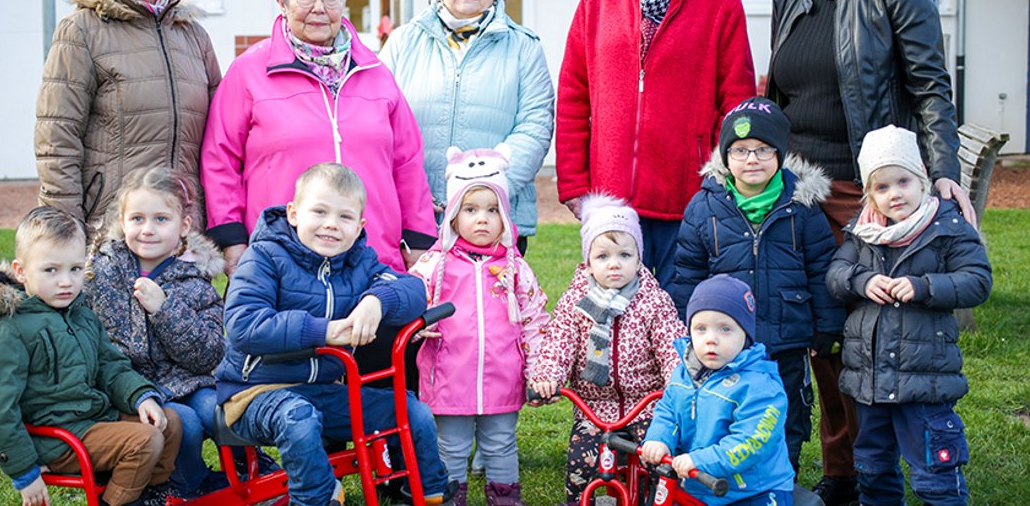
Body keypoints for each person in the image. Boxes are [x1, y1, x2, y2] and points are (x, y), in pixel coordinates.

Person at [767, 0, 974, 500]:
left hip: (867, 191)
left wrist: (941, 170)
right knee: (818, 331)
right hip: (798, 190)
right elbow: (780, 96)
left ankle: (864, 467)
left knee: (865, 332)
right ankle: (840, 469)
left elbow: (931, 85)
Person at [201, 0, 436, 382]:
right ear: (281, 1)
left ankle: (389, 455)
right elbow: (219, 160)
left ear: (345, 3)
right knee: (309, 402)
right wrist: (234, 243)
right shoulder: (249, 73)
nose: (318, 8)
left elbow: (407, 161)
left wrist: (419, 243)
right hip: (289, 267)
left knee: (384, 396)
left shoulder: (375, 73)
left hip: (371, 258)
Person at [214, 163, 455, 506]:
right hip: (255, 392)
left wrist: (375, 301)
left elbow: (414, 290)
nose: (331, 224)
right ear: (294, 214)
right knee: (297, 418)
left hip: (324, 390)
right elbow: (243, 323)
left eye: (344, 217)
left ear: (359, 227)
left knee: (411, 410)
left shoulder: (359, 261)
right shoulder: (265, 256)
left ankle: (426, 491)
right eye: (320, 212)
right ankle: (316, 498)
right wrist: (322, 332)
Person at [556, 0, 755, 290]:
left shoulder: (722, 1)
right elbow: (574, 97)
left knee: (676, 319)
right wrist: (575, 185)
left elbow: (736, 101)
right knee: (609, 318)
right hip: (609, 202)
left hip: (688, 199)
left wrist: (721, 182)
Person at [0, 206, 182, 506]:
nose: (66, 282)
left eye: (75, 269)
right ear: (21, 271)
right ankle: (120, 502)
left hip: (93, 418)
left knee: (168, 423)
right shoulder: (6, 329)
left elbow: (110, 366)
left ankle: (148, 493)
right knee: (144, 441)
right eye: (51, 270)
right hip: (55, 438)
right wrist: (24, 471)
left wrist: (141, 396)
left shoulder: (80, 314)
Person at [671, 97, 843, 472]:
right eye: (741, 150)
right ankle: (723, 480)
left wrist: (826, 326)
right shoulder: (705, 207)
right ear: (725, 156)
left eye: (763, 150)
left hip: (786, 339)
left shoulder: (802, 206)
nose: (752, 159)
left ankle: (783, 477)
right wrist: (688, 331)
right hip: (726, 342)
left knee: (787, 415)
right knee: (726, 414)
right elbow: (687, 273)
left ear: (780, 154)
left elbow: (820, 267)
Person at [826, 126, 991, 506]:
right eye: (882, 188)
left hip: (925, 380)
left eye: (903, 181)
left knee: (935, 472)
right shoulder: (861, 233)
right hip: (869, 381)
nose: (894, 194)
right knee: (873, 468)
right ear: (870, 194)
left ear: (922, 180)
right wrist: (862, 281)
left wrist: (925, 287)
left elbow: (977, 281)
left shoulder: (946, 229)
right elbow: (835, 276)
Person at [36, 0, 222, 232]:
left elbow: (219, 136)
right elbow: (57, 137)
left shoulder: (194, 37)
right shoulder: (81, 30)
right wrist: (64, 227)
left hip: (182, 226)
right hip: (112, 224)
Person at [380, 0, 555, 255]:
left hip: (492, 217)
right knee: (419, 303)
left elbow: (535, 126)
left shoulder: (524, 48)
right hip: (415, 216)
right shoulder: (403, 42)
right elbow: (378, 120)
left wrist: (486, 193)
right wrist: (410, 195)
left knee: (488, 305)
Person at [409, 145, 550, 506]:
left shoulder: (515, 267)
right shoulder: (435, 264)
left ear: (505, 215)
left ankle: (505, 499)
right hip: (448, 378)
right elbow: (407, 299)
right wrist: (416, 323)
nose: (482, 219)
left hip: (503, 376)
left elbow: (534, 318)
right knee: (451, 447)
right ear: (453, 216)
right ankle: (450, 498)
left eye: (492, 210)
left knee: (502, 443)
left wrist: (538, 369)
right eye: (470, 210)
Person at [528, 194, 689, 506]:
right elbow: (559, 343)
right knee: (580, 462)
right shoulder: (576, 302)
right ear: (588, 260)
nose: (614, 264)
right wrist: (548, 375)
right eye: (603, 256)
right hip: (593, 405)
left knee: (656, 457)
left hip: (645, 404)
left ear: (639, 258)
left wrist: (677, 380)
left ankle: (650, 499)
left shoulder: (653, 301)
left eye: (625, 255)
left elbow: (672, 345)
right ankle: (578, 501)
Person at [83, 167, 229, 497]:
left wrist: (165, 310)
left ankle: (248, 472)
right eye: (137, 219)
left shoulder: (196, 282)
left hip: (188, 380)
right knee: (186, 425)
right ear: (122, 221)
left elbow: (208, 353)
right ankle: (189, 485)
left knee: (221, 411)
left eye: (161, 219)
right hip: (132, 387)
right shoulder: (102, 272)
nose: (147, 230)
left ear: (184, 226)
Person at [642, 275, 795, 506]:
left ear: (745, 335)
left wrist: (699, 460)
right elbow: (668, 412)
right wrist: (659, 439)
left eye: (725, 329)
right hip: (700, 483)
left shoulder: (760, 387)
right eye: (701, 329)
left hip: (754, 491)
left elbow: (750, 442)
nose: (711, 339)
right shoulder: (683, 374)